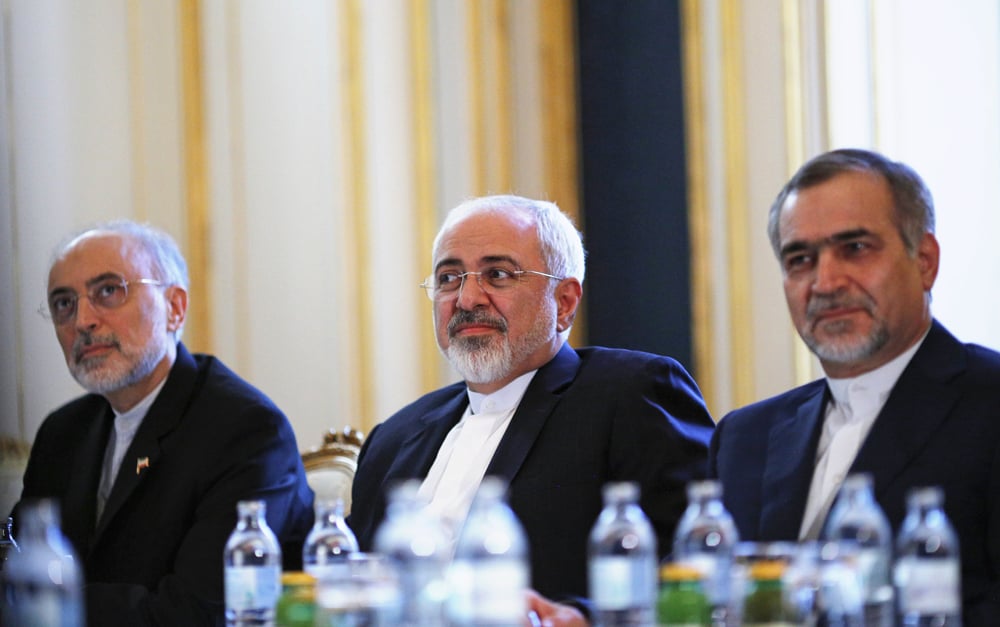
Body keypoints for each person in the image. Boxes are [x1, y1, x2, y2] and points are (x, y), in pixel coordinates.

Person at [347, 195, 715, 623]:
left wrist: (582, 618)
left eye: (497, 274)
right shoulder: (392, 437)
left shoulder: (629, 394)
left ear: (564, 302)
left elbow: (695, 565)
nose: (467, 299)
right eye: (449, 277)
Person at [708, 148, 1000, 622]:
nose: (825, 282)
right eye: (800, 259)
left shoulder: (989, 403)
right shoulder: (745, 437)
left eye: (855, 249)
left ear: (924, 260)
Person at [11, 221, 314, 625]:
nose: (82, 320)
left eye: (108, 291)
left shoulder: (246, 431)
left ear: (174, 308)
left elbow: (198, 612)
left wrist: (41, 601)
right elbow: (17, 556)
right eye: (64, 303)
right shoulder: (62, 433)